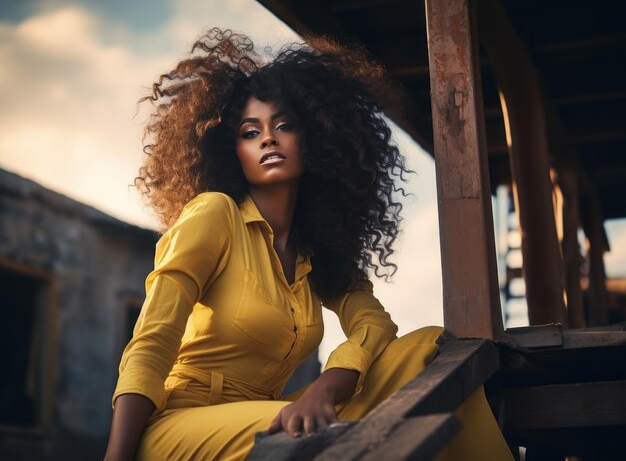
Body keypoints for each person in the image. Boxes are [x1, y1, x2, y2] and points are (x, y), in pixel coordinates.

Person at [104, 28, 512, 461]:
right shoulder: (214, 213)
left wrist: (327, 384)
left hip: (267, 413)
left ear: (314, 138)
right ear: (231, 149)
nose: (267, 139)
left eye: (283, 125)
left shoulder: (316, 250)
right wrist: (117, 455)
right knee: (323, 436)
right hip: (182, 423)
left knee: (426, 350)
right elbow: (152, 340)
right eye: (249, 132)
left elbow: (374, 325)